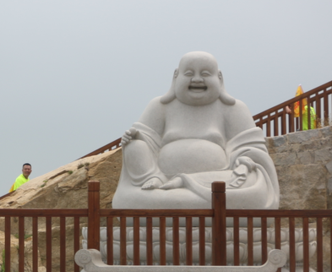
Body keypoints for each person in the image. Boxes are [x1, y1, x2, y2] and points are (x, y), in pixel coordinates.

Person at [114, 51, 280, 211]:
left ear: (219, 78)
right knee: (134, 146)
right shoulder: (160, 107)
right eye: (189, 73)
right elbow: (145, 140)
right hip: (162, 182)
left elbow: (254, 153)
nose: (197, 79)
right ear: (176, 76)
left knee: (254, 189)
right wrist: (135, 137)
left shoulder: (233, 109)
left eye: (206, 73)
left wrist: (242, 163)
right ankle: (155, 180)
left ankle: (182, 184)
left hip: (218, 183)